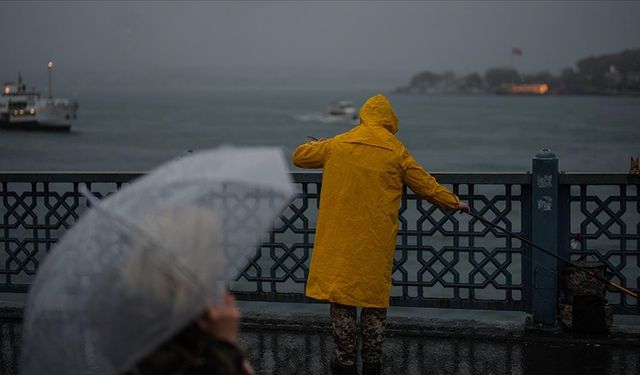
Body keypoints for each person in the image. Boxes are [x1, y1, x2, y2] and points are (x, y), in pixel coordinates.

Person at [292, 94, 469, 375]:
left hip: (339, 238)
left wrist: (318, 144)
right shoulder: (396, 151)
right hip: (374, 240)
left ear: (363, 117)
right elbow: (425, 185)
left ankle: (344, 361)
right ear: (389, 121)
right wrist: (454, 202)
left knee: (343, 300)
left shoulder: (337, 144)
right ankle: (372, 362)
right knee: (373, 302)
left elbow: (299, 157)